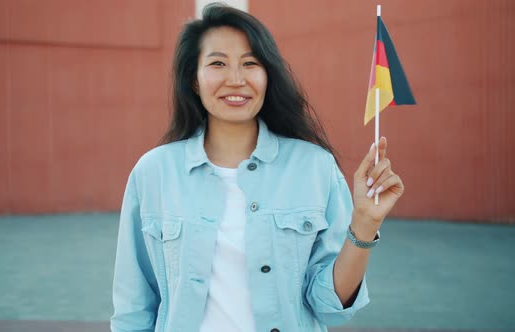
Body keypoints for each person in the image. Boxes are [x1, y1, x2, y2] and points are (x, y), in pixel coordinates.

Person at [111, 4, 404, 332]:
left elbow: (330, 308)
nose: (236, 79)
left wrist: (364, 223)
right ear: (194, 80)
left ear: (268, 75)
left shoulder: (314, 167)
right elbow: (133, 307)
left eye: (250, 63)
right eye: (218, 63)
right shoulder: (154, 172)